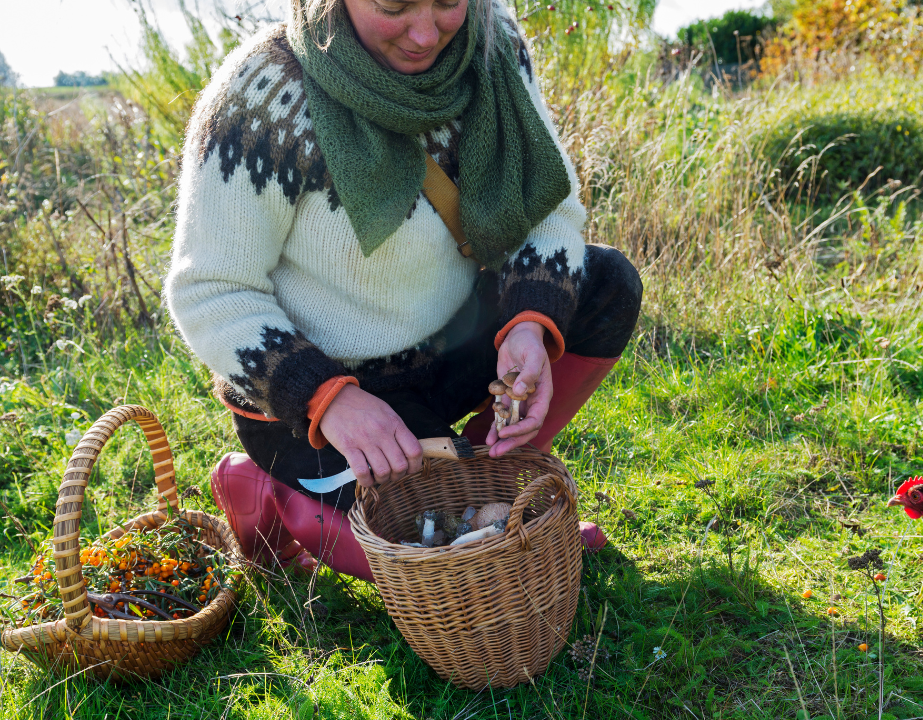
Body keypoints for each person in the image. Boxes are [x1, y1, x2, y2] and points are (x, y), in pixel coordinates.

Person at [164, 0, 641, 580]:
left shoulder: (492, 43)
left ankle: (491, 480)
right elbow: (209, 289)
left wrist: (528, 325)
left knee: (606, 282)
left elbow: (548, 208)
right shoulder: (261, 99)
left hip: (445, 345)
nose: (425, 34)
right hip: (321, 396)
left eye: (447, 2)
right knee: (440, 559)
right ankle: (266, 490)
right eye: (394, 6)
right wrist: (328, 399)